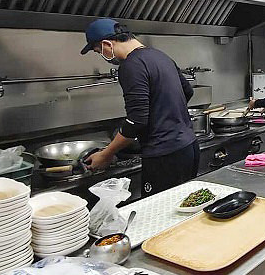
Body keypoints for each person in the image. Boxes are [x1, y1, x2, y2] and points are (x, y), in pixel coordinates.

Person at [80, 19, 197, 197]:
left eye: (98, 51)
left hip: (164, 156)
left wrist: (106, 154)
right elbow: (187, 91)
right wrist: (166, 114)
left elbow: (136, 120)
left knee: (160, 216)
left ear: (106, 44)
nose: (101, 56)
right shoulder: (160, 56)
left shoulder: (130, 65)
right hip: (189, 147)